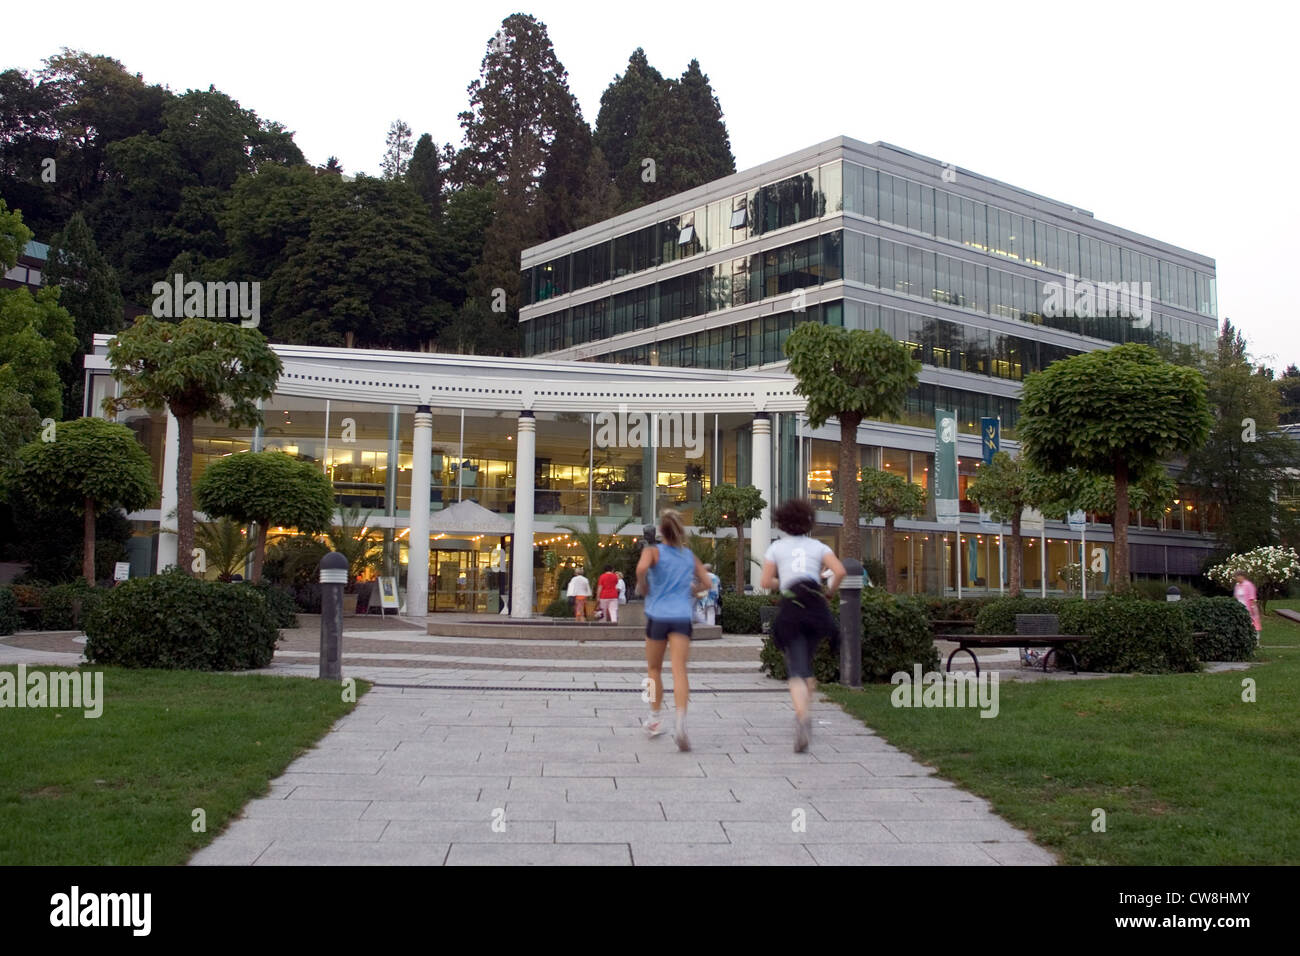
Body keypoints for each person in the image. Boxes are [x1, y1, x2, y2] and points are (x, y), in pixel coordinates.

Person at [760, 499, 846, 753]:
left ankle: (801, 715)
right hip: (816, 608)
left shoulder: (776, 548)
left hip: (791, 609)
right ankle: (805, 709)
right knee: (806, 664)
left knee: (796, 668)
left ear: (781, 522)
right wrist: (829, 592)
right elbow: (839, 571)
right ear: (809, 521)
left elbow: (765, 581)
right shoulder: (818, 546)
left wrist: (785, 582)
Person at [636, 510, 711, 751]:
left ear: (661, 531)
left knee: (652, 669)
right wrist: (691, 590)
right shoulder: (688, 556)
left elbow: (640, 569)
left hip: (657, 616)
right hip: (681, 618)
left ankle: (654, 716)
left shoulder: (652, 551)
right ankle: (681, 722)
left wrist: (643, 584)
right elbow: (707, 583)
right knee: (679, 669)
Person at [1233, 571, 1263, 638]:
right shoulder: (1237, 586)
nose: (1236, 578)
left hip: (1248, 607)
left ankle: (1255, 639)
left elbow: (1252, 597)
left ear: (1241, 576)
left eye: (1237, 577)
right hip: (1240, 607)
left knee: (1253, 622)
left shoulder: (1248, 585)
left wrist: (1252, 608)